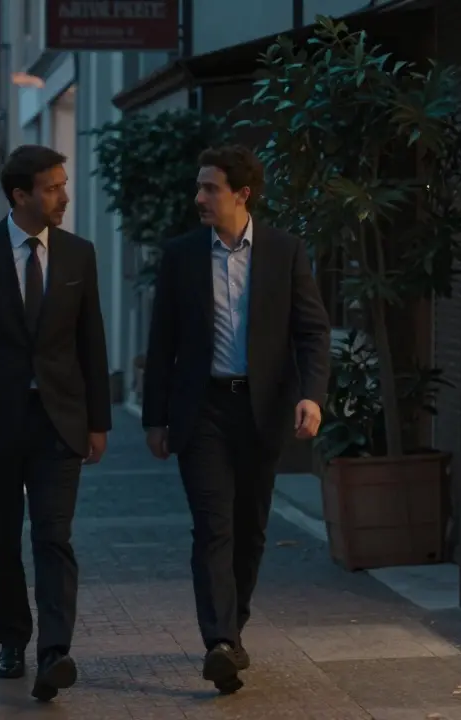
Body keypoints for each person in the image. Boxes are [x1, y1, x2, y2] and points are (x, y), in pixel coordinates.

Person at [141, 145, 331, 695]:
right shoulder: (181, 256)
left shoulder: (284, 251)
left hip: (261, 410)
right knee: (212, 526)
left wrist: (312, 396)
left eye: (210, 189)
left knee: (249, 529)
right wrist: (156, 418)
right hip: (202, 411)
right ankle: (220, 642)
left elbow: (312, 332)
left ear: (242, 195)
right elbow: (163, 341)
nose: (199, 198)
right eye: (199, 188)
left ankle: (234, 625)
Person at [0, 144, 111, 703]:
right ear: (20, 195)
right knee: (1, 539)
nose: (65, 195)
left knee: (54, 537)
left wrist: (98, 421)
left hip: (58, 421)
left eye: (63, 184)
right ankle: (12, 637)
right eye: (54, 186)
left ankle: (55, 651)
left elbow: (91, 342)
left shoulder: (79, 255)